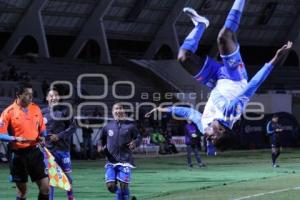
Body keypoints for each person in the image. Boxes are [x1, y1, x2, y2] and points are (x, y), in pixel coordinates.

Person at [146, 0, 292, 151]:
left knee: (184, 58)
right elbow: (253, 85)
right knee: (224, 37)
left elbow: (189, 112)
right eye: (213, 138)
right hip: (235, 77)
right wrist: (275, 58)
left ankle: (201, 25)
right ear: (221, 130)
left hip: (216, 80)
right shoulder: (231, 112)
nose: (207, 138)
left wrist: (164, 109)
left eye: (209, 141)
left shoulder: (204, 128)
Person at [0, 82, 49, 200]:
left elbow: (42, 130)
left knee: (45, 188)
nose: (30, 97)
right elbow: (1, 133)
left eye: (32, 94)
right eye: (27, 94)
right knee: (22, 192)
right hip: (18, 154)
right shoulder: (8, 112)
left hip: (35, 152)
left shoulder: (36, 108)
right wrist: (14, 138)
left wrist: (43, 137)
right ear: (18, 94)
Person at [98, 102, 142, 200]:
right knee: (110, 187)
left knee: (123, 185)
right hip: (111, 161)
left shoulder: (130, 126)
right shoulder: (107, 126)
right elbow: (101, 139)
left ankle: (123, 196)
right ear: (113, 112)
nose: (118, 111)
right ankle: (126, 196)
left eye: (120, 108)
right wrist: (100, 146)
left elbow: (139, 137)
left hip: (125, 161)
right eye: (116, 109)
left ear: (124, 111)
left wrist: (135, 143)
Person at [43, 88, 76, 200]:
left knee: (67, 177)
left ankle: (70, 197)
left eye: (56, 95)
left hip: (63, 149)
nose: (54, 98)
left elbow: (73, 127)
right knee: (49, 177)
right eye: (51, 96)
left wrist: (59, 136)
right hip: (48, 151)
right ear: (47, 98)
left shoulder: (65, 111)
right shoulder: (42, 113)